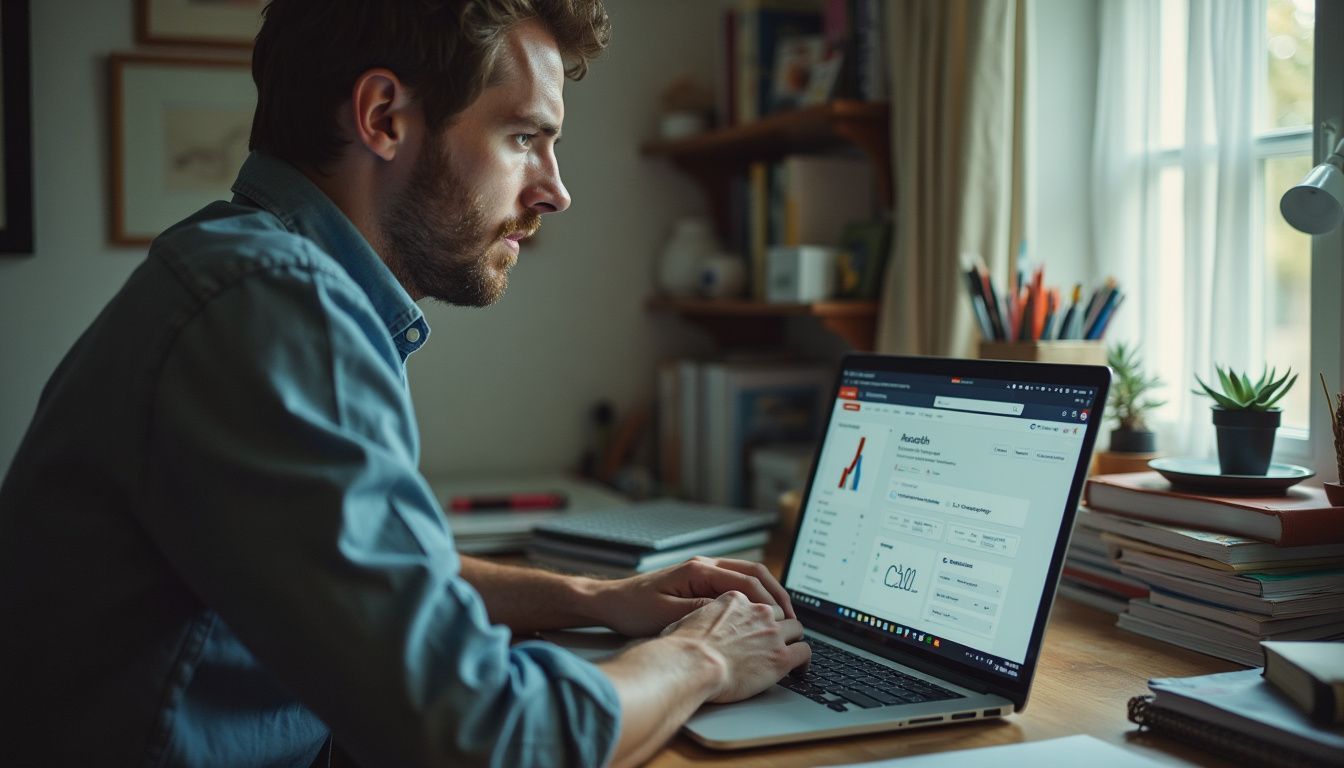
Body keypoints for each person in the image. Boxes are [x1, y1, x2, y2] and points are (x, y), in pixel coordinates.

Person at [0, 1, 811, 766]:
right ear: (384, 116)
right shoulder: (277, 305)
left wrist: (594, 596)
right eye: (525, 137)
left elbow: (367, 575)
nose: (555, 190)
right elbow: (483, 740)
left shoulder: (236, 262)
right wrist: (703, 657)